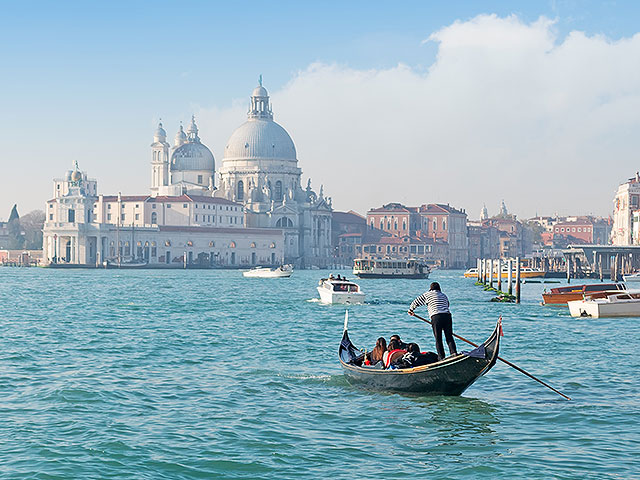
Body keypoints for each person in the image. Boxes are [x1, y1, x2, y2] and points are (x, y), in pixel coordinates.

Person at [408, 282, 457, 360]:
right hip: (447, 316)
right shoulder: (443, 295)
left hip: (436, 316)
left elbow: (416, 302)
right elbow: (447, 304)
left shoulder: (427, 294)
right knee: (449, 337)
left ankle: (441, 357)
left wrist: (411, 309)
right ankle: (454, 353)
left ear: (430, 288)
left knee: (438, 338)